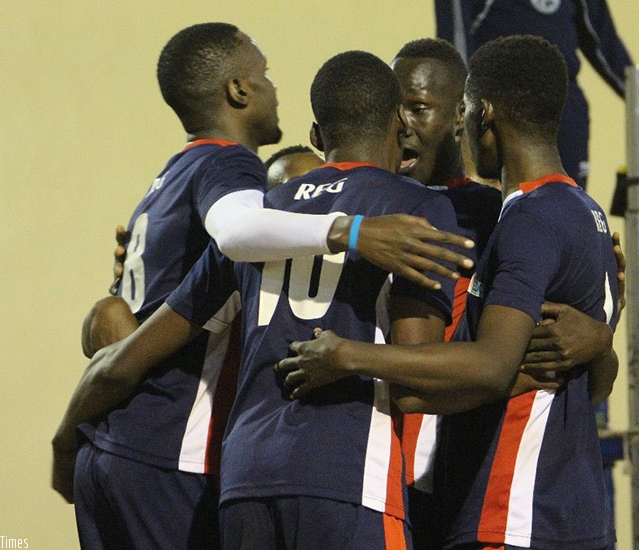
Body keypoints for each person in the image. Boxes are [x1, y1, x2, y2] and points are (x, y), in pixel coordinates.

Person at [51, 23, 473, 550]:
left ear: (317, 136)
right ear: (395, 123)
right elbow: (416, 384)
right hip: (347, 477)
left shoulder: (267, 209)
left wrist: (68, 433)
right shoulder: (415, 207)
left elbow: (133, 350)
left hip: (244, 480)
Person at [277, 35, 621, 549]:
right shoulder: (355, 205)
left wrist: (598, 347)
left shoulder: (509, 216)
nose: (402, 124)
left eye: (418, 108)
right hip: (368, 476)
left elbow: (576, 377)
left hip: (476, 492)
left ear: (464, 115)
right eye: (395, 109)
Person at [435, 0, 639, 190]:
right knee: (500, 215)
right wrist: (465, 115)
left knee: (568, 210)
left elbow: (604, 42)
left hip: (565, 113)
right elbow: (455, 39)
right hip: (501, 109)